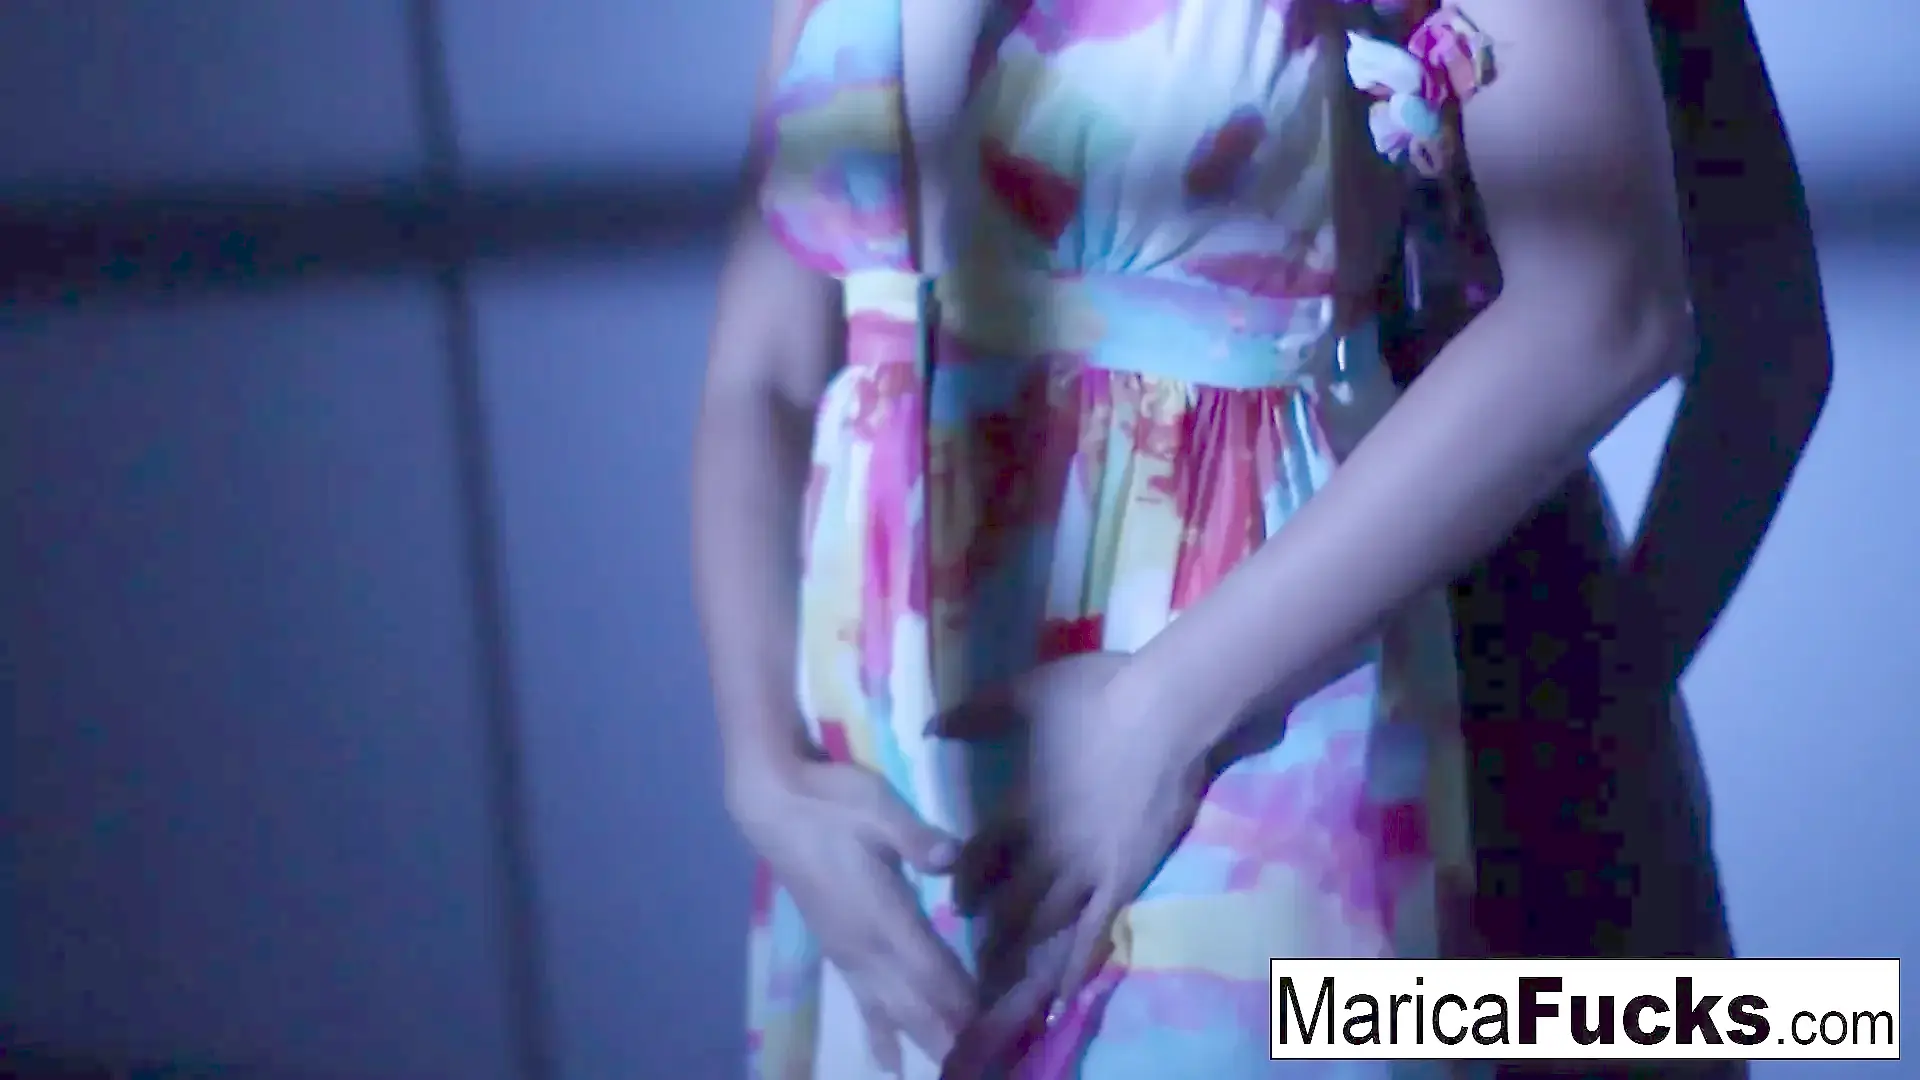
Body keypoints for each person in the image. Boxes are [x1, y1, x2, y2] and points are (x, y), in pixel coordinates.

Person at [693, 1, 1695, 1076]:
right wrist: (763, 767)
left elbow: (1605, 309)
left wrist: (1159, 716)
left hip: (1220, 716)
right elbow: (764, 370)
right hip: (866, 796)